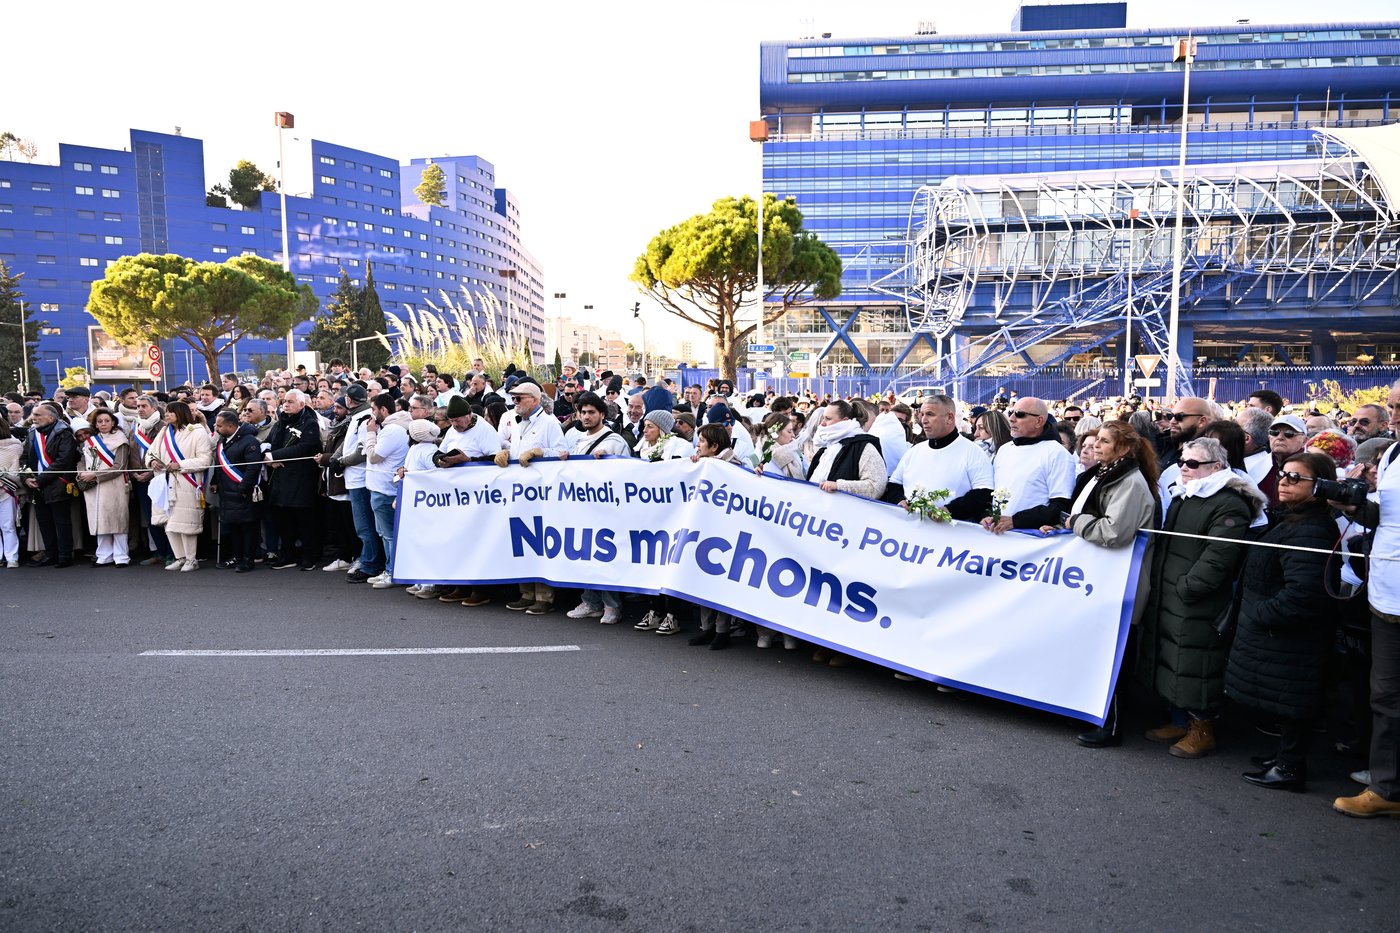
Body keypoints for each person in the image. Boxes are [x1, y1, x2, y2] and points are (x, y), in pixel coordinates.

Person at [1138, 437, 1266, 759]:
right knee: (1175, 659)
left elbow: (1219, 557)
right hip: (1171, 592)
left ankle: (1203, 729)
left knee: (1198, 663)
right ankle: (1179, 720)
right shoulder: (1186, 494)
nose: (1184, 467)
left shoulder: (1228, 502)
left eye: (1193, 464)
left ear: (1216, 467)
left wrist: (1188, 587)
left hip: (1196, 599)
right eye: (1182, 461)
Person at [1226, 450, 1342, 792]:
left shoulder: (1312, 529)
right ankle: (1283, 757)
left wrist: (1259, 614)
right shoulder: (1292, 518)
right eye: (1283, 475)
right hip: (1277, 632)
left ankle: (1290, 766)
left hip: (1288, 635)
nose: (1285, 482)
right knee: (1286, 698)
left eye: (1296, 478)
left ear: (1320, 485)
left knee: (1294, 700)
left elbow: (1304, 593)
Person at [1043, 421, 1160, 747]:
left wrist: (1073, 523)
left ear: (1123, 448)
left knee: (1115, 654)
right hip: (1097, 576)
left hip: (1118, 581)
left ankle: (1112, 723)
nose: (1096, 447)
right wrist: (1065, 528)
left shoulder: (1130, 483)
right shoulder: (1105, 474)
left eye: (1105, 442)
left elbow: (1113, 532)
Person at [1332, 378, 1400, 818]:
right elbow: (1385, 516)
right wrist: (1353, 506)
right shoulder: (1392, 453)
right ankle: (1388, 789)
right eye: (1393, 406)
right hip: (1388, 594)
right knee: (1387, 695)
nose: (1395, 415)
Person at [807, 400, 887, 667]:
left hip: (850, 530)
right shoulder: (825, 449)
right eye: (823, 419)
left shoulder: (864, 446)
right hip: (822, 528)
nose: (823, 424)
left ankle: (846, 647)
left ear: (844, 420)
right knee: (824, 586)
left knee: (846, 588)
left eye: (829, 419)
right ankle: (823, 640)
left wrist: (839, 486)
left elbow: (876, 485)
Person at [495, 381, 567, 615]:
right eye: (513, 399)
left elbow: (563, 452)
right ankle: (526, 592)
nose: (515, 403)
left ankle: (544, 595)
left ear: (534, 400)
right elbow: (515, 451)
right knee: (521, 541)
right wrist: (506, 453)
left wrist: (541, 452)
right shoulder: (517, 424)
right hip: (520, 492)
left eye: (519, 398)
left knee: (539, 541)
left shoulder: (550, 423)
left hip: (540, 494)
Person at [888, 396, 993, 522]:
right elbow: (893, 485)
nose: (924, 420)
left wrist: (950, 510)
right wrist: (899, 501)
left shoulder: (973, 452)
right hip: (911, 533)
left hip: (950, 535)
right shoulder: (914, 451)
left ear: (949, 418)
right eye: (922, 414)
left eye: (930, 414)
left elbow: (984, 494)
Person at [982, 397, 1076, 534]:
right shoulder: (1004, 449)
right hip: (998, 535)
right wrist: (986, 516)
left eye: (1020, 414)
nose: (1012, 419)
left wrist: (1016, 521)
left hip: (1031, 539)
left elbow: (1060, 506)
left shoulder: (1057, 453)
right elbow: (993, 495)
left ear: (1039, 421)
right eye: (1011, 413)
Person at [146, 400, 213, 572]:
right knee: (169, 523)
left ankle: (192, 559)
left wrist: (181, 464)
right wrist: (152, 461)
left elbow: (205, 459)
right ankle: (180, 558)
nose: (166, 415)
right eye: (166, 412)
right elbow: (151, 452)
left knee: (185, 523)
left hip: (186, 482)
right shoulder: (164, 431)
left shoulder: (197, 432)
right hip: (165, 482)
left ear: (180, 413)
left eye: (170, 412)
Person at [263, 389, 324, 573]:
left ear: (301, 404)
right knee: (283, 520)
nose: (286, 405)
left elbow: (306, 447)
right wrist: (267, 455)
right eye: (284, 402)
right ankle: (287, 554)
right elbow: (268, 441)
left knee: (305, 521)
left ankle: (309, 556)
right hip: (280, 480)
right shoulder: (280, 421)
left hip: (301, 479)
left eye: (290, 402)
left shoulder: (310, 423)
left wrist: (275, 455)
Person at [21, 402, 79, 567]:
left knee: (61, 522)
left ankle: (65, 556)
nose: (34, 418)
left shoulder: (64, 433)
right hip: (36, 485)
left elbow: (63, 461)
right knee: (44, 521)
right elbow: (24, 457)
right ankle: (50, 554)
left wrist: (40, 480)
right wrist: (26, 478)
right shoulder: (33, 433)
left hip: (57, 483)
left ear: (51, 417)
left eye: (38, 415)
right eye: (33, 414)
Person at [77, 409, 130, 567]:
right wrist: (81, 473)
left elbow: (119, 466)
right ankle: (104, 555)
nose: (103, 424)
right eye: (99, 421)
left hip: (114, 484)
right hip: (93, 486)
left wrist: (96, 476)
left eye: (107, 421)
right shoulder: (90, 441)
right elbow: (81, 460)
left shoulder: (121, 440)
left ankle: (121, 556)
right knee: (99, 520)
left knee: (117, 520)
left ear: (113, 422)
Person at [211, 409, 262, 573]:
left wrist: (242, 487)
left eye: (219, 425)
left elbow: (253, 468)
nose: (216, 428)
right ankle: (238, 557)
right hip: (226, 492)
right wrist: (215, 482)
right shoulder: (223, 440)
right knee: (234, 528)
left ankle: (248, 559)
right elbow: (219, 464)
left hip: (242, 492)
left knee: (247, 528)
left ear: (231, 426)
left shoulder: (249, 441)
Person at [0, 414, 23, 568]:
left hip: (6, 490)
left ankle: (12, 557)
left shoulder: (15, 446)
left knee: (8, 525)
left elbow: (16, 471)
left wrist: (4, 480)